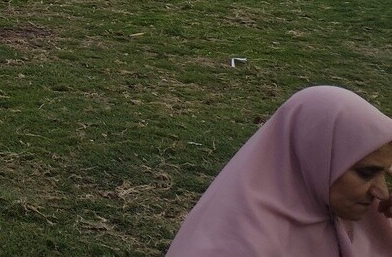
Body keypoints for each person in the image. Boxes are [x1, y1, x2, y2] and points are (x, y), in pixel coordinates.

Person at [168, 85, 392, 255]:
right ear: (316, 160)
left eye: (385, 173)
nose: (381, 192)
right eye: (366, 173)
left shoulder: (335, 204)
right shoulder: (236, 246)